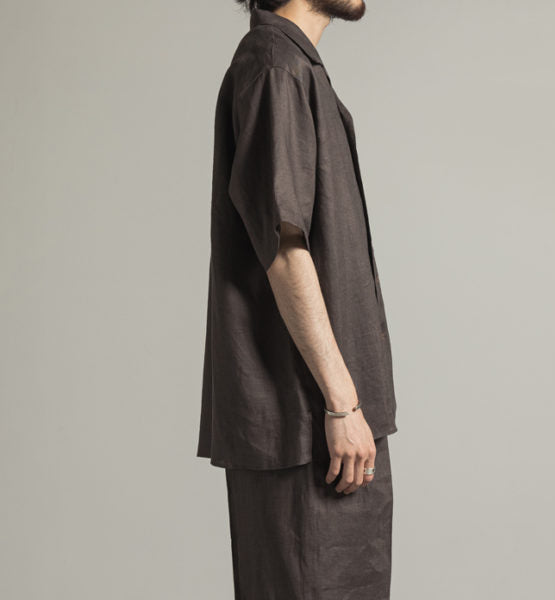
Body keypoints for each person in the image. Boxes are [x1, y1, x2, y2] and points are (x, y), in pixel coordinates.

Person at [196, 1, 398, 597]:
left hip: (323, 424)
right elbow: (283, 247)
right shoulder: (274, 68)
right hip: (308, 423)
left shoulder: (291, 66)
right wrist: (341, 404)